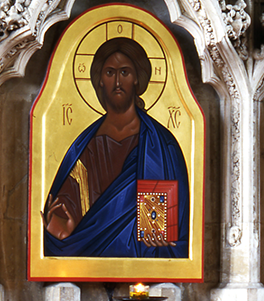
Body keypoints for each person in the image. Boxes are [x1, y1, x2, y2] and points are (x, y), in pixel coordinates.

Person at [40, 34, 189, 258]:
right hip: (87, 259)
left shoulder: (161, 144)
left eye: (125, 72)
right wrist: (60, 230)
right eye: (110, 73)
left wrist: (163, 236)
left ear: (137, 78)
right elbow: (65, 210)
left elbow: (169, 227)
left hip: (145, 263)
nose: (117, 82)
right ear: (99, 79)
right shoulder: (85, 146)